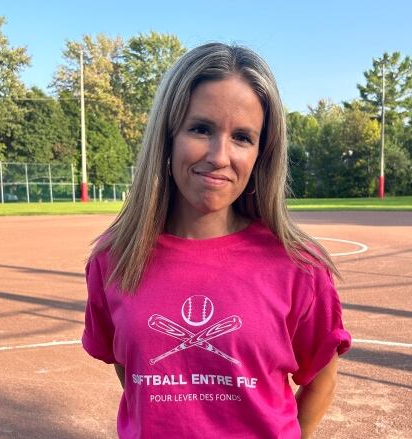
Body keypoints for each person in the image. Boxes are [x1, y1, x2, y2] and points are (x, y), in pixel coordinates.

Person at [82, 42, 351, 439]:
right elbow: (132, 372)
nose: (219, 156)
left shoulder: (300, 266)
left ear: (262, 152)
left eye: (242, 137)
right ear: (168, 136)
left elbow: (321, 380)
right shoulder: (114, 259)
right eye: (201, 129)